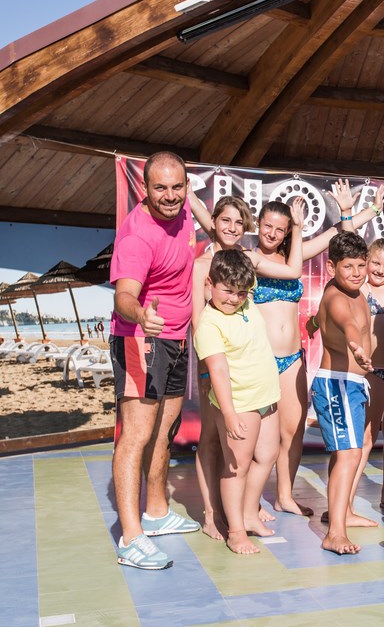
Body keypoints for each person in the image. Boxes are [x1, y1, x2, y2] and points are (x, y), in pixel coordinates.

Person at [252, 181, 380, 520]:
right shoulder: (248, 259)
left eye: (281, 229)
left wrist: (363, 211)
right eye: (268, 226)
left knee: (291, 431)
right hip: (258, 358)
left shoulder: (292, 256)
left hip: (291, 357)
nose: (274, 234)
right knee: (256, 432)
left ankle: (284, 496)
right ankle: (249, 501)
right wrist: (297, 226)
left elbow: (340, 242)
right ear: (257, 226)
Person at [190, 195, 304, 540]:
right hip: (214, 361)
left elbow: (294, 270)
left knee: (253, 450)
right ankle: (213, 514)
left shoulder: (244, 261)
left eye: (239, 223)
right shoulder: (202, 266)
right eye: (225, 221)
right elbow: (199, 320)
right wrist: (209, 369)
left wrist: (298, 227)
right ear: (213, 223)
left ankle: (244, 510)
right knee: (211, 441)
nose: (232, 228)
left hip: (249, 368)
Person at [109, 151, 200, 570]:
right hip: (141, 339)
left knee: (164, 431)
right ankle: (131, 538)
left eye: (176, 187)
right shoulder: (137, 235)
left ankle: (157, 511)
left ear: (186, 186)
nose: (169, 196)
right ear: (145, 188)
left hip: (177, 340)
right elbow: (125, 295)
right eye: (159, 188)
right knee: (137, 435)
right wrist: (141, 315)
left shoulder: (184, 218)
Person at [194, 250, 281, 555]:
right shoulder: (209, 324)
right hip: (240, 402)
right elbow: (217, 369)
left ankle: (248, 513)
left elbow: (248, 262)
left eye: (240, 293)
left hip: (266, 396)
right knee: (236, 468)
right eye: (227, 291)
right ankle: (236, 531)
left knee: (268, 455)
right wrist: (229, 413)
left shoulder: (247, 300)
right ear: (210, 284)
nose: (233, 299)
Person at [312, 231, 373, 555]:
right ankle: (335, 532)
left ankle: (343, 511)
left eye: (361, 265)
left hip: (352, 384)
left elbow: (319, 322)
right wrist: (357, 347)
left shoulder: (355, 292)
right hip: (337, 383)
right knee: (348, 454)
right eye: (348, 266)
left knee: (350, 451)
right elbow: (348, 325)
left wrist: (309, 327)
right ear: (332, 266)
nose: (357, 272)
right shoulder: (337, 298)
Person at [357, 238, 384, 517]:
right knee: (367, 435)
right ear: (366, 262)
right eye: (376, 262)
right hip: (372, 370)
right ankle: (346, 495)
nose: (381, 269)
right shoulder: (361, 289)